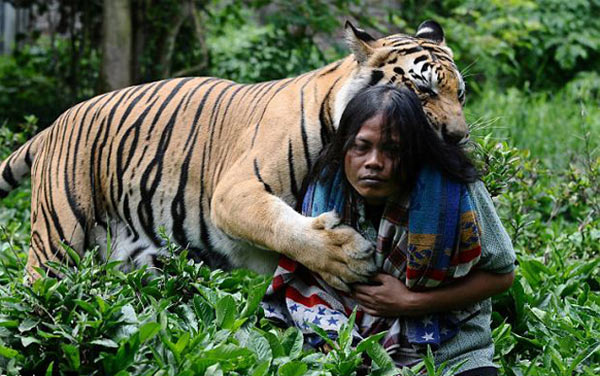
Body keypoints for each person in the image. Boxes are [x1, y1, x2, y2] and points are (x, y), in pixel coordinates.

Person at [262, 85, 516, 376]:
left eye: (392, 150)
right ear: (344, 148)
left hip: (451, 348)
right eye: (361, 146)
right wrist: (332, 337)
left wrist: (411, 302)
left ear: (414, 154)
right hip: (350, 346)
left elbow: (502, 275)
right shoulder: (323, 193)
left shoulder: (455, 193)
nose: (373, 162)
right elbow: (308, 280)